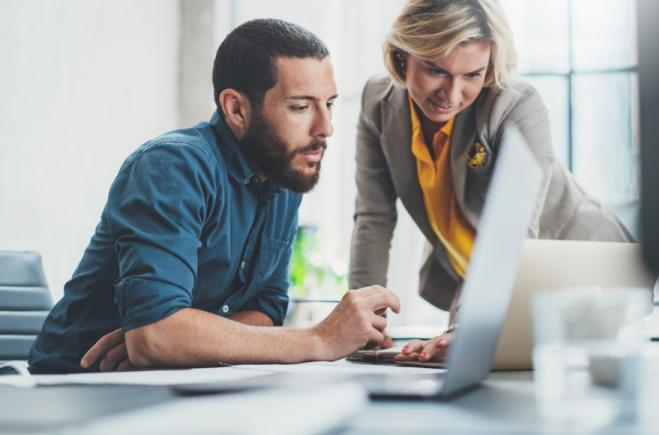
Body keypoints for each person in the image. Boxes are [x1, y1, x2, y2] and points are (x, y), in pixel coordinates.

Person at [28, 18, 399, 374]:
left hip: (179, 383)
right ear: (236, 108)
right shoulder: (172, 166)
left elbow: (265, 311)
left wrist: (183, 338)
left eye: (329, 104)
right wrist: (319, 339)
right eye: (301, 107)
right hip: (74, 385)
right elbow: (155, 337)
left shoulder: (283, 173)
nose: (326, 127)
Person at [348, 0, 630, 363]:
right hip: (479, 283)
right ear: (403, 57)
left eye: (472, 75)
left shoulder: (515, 106)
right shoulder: (377, 102)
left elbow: (511, 235)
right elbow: (374, 219)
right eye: (436, 71)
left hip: (580, 274)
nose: (451, 95)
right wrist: (363, 322)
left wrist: (465, 327)